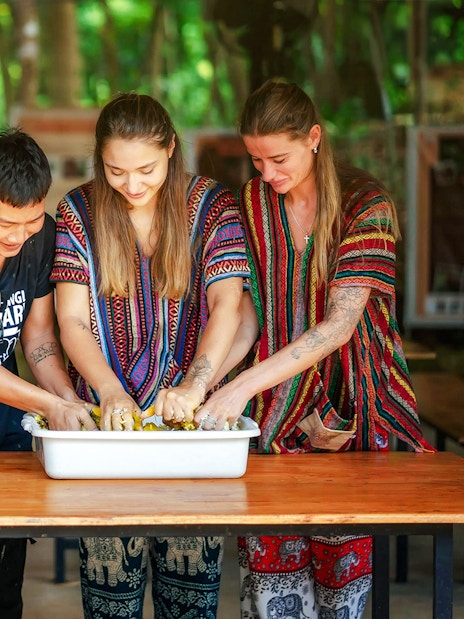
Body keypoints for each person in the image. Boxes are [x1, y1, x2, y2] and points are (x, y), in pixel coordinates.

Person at [194, 80, 435, 619]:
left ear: (315, 138)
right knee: (270, 580)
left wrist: (237, 388)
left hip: (351, 402)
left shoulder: (364, 204)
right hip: (275, 410)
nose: (268, 174)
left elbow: (339, 326)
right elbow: (251, 313)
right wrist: (201, 380)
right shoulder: (254, 202)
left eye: (279, 158)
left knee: (340, 579)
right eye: (256, 160)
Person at [50, 93, 252, 619]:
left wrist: (195, 386)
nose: (133, 185)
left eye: (147, 169)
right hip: (107, 435)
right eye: (116, 171)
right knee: (109, 597)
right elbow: (70, 319)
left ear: (172, 150)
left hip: (187, 432)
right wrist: (109, 389)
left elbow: (227, 302)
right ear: (100, 159)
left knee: (190, 597)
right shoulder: (78, 209)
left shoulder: (211, 206)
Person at [0, 128, 96, 619]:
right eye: (4, 225)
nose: (17, 237)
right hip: (18, 402)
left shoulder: (41, 240)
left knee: (4, 584)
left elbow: (37, 338)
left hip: (6, 426)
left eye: (30, 220)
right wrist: (49, 405)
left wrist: (67, 399)